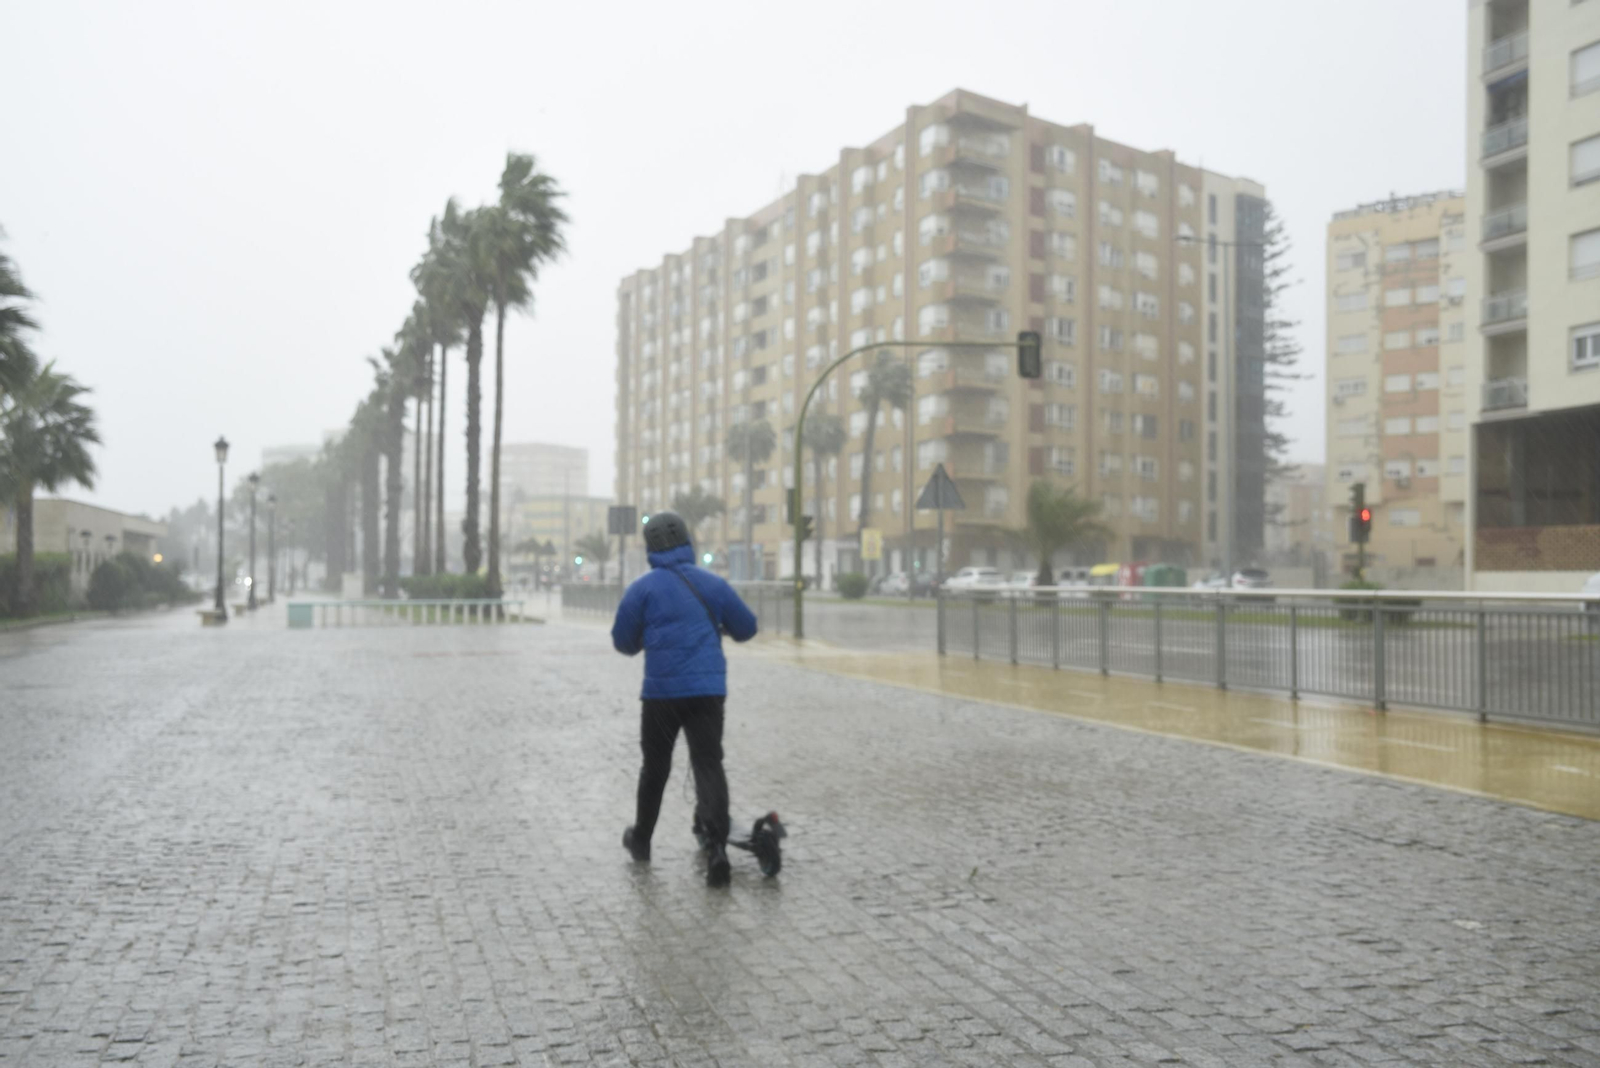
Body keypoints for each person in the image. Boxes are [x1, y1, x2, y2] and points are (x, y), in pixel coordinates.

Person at [610, 511, 758, 887]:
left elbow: (622, 642)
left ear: (650, 547)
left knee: (655, 767)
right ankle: (717, 849)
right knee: (709, 764)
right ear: (687, 540)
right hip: (708, 693)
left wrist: (645, 638)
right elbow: (747, 627)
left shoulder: (642, 589)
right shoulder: (714, 584)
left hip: (661, 696)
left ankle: (642, 839)